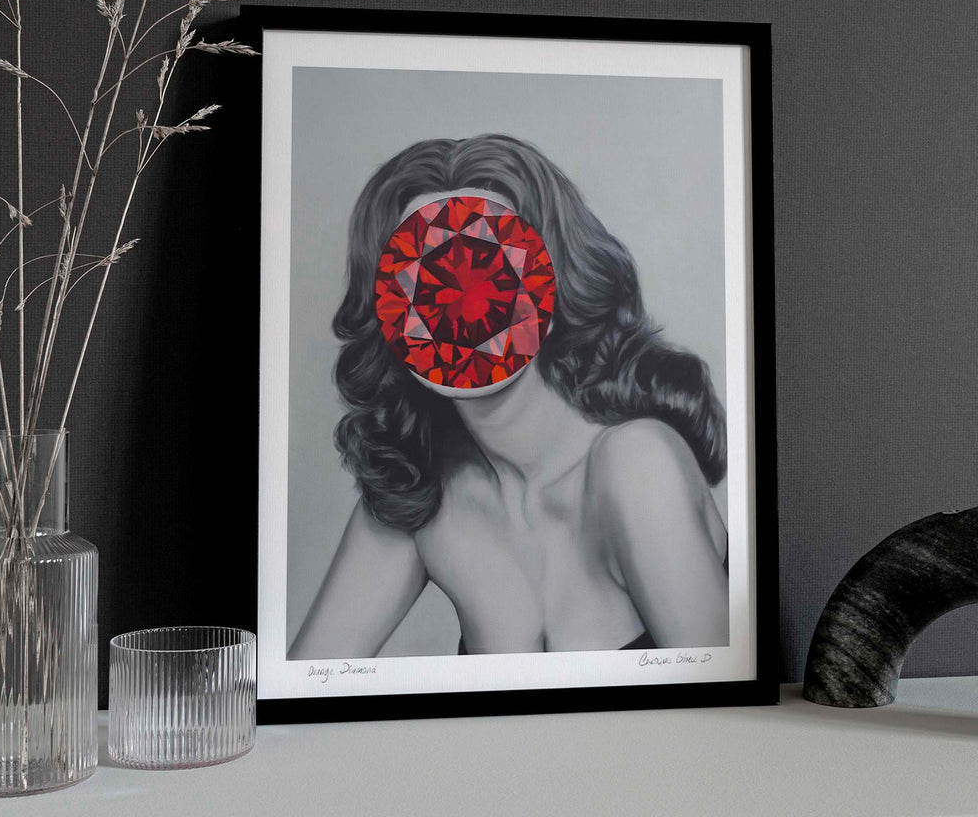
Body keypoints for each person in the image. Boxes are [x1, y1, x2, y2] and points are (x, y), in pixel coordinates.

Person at [289, 134, 728, 659]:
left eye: (485, 260)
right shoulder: (423, 498)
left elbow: (720, 722)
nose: (458, 297)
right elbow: (304, 692)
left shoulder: (637, 464)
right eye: (419, 273)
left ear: (554, 276)